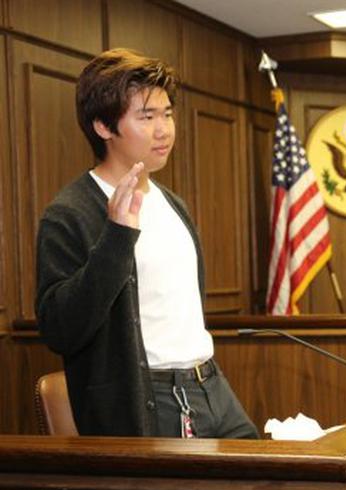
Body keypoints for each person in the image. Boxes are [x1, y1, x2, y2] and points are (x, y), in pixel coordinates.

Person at [35, 48, 258, 439]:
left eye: (167, 114)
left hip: (210, 385)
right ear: (103, 126)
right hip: (147, 398)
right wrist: (117, 236)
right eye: (147, 116)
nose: (164, 129)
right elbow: (60, 329)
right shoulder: (69, 213)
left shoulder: (173, 202)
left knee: (270, 488)